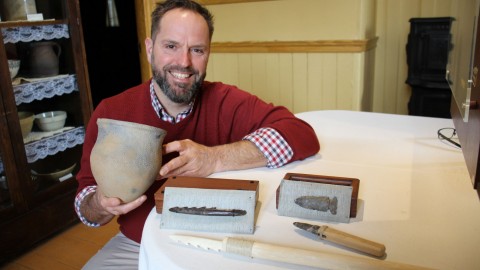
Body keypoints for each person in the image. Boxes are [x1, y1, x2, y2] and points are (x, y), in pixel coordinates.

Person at [75, 0, 320, 268]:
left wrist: (215, 158)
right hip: (138, 243)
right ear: (149, 49)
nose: (184, 62)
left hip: (218, 244)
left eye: (197, 50)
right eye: (171, 46)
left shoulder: (226, 101)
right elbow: (86, 205)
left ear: (208, 54)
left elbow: (302, 135)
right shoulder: (112, 112)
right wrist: (100, 204)